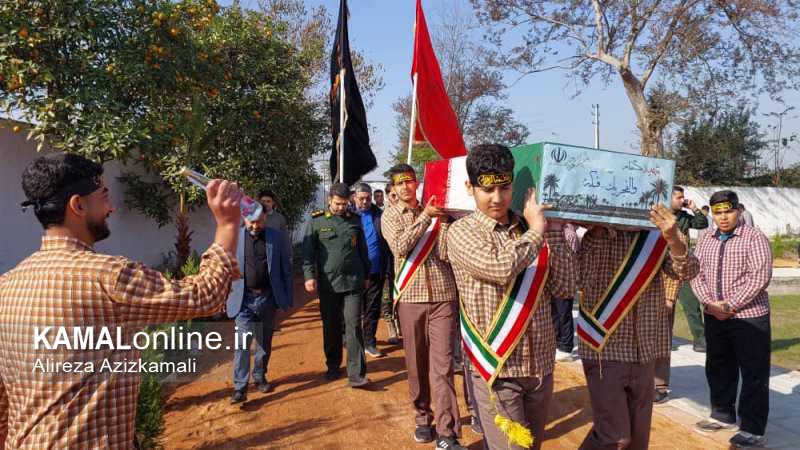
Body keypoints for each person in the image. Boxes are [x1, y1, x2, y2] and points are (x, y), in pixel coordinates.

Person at [0, 154, 242, 448]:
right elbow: (206, 297)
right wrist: (228, 224)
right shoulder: (109, 276)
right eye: (104, 196)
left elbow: (4, 401)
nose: (112, 207)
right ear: (78, 205)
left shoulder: (6, 286)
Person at [447, 144, 577, 450]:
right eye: (487, 189)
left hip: (540, 366)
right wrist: (537, 230)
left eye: (505, 188)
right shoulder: (462, 232)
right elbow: (501, 267)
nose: (497, 198)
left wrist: (554, 231)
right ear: (470, 187)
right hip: (498, 368)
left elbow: (565, 288)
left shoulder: (531, 227)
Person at [576, 205, 699, 450]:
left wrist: (674, 238)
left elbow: (689, 271)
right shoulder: (594, 234)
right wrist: (596, 232)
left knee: (638, 439)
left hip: (645, 347)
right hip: (605, 347)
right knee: (614, 438)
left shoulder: (659, 234)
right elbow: (577, 280)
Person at [382, 164, 464, 450]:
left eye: (410, 181)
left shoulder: (436, 209)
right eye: (400, 183)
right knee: (417, 364)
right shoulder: (390, 215)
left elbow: (445, 251)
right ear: (393, 188)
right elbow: (401, 246)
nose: (406, 187)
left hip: (443, 295)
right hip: (411, 297)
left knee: (442, 366)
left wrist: (441, 222)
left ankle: (447, 431)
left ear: (417, 183)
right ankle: (422, 416)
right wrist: (425, 219)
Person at [691, 190, 772, 449]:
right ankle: (723, 414)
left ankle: (752, 429)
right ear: (712, 213)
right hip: (714, 314)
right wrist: (709, 303)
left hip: (749, 317)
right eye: (718, 212)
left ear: (738, 210)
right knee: (718, 366)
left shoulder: (754, 237)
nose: (723, 218)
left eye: (728, 211)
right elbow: (695, 273)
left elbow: (759, 277)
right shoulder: (705, 239)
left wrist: (730, 305)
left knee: (754, 372)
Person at [302, 183, 371, 387]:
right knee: (331, 326)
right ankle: (333, 365)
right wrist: (309, 276)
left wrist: (366, 274)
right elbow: (308, 253)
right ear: (329, 200)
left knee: (354, 325)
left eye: (345, 204)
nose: (341, 208)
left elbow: (363, 251)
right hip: (328, 283)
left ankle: (356, 373)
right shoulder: (317, 221)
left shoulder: (355, 221)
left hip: (353, 281)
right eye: (338, 204)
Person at [227, 208, 293, 403]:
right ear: (244, 219)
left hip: (267, 298)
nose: (255, 226)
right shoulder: (234, 238)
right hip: (243, 299)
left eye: (259, 222)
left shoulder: (277, 237)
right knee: (242, 344)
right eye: (251, 222)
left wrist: (286, 297)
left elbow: (286, 268)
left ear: (265, 218)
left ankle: (260, 376)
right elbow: (225, 269)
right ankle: (240, 387)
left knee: (264, 343)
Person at [654, 186, 710, 402]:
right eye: (678, 197)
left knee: (690, 305)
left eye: (682, 197)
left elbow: (702, 224)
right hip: (658, 274)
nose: (682, 200)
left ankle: (699, 339)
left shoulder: (685, 218)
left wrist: (695, 208)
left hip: (680, 266)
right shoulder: (654, 218)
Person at [352, 182, 391, 358]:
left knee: (372, 309)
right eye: (362, 198)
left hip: (376, 271)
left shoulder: (380, 215)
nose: (366, 201)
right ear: (354, 198)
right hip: (353, 273)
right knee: (353, 309)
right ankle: (351, 341)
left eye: (368, 198)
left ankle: (369, 342)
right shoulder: (347, 215)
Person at [553, 223, 581, 362]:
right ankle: (560, 344)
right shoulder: (566, 232)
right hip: (559, 279)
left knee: (563, 314)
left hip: (564, 279)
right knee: (558, 314)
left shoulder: (568, 234)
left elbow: (571, 259)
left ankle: (565, 347)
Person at [380, 181, 401, 345]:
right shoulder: (383, 216)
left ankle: (402, 324)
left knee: (401, 296)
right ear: (388, 197)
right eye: (393, 195)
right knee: (387, 297)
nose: (396, 198)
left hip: (405, 264)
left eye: (397, 194)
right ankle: (390, 324)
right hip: (387, 264)